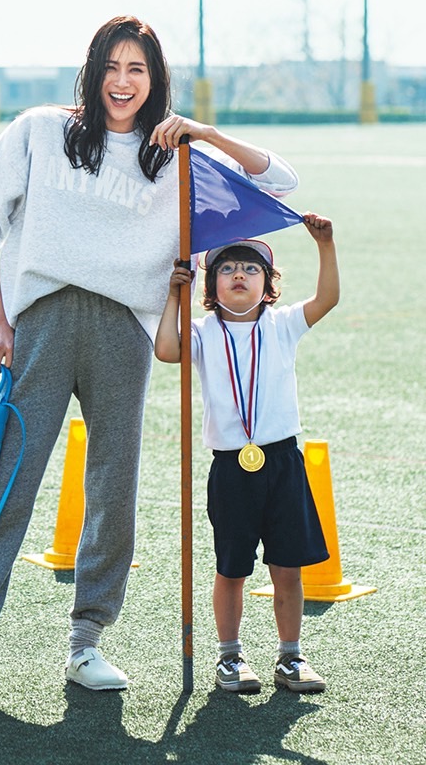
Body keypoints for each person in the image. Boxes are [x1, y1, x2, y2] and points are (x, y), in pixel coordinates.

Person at [0, 14, 299, 705]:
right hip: (43, 321)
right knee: (11, 480)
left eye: (138, 70)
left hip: (125, 330)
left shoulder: (174, 155)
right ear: (93, 74)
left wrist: (203, 133)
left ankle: (87, 642)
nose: (123, 83)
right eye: (112, 68)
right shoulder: (41, 131)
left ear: (155, 81)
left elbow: (282, 183)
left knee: (114, 489)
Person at [155, 213, 339, 693]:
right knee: (231, 566)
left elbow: (328, 299)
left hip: (282, 461)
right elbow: (166, 351)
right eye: (228, 268)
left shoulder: (283, 324)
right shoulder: (201, 330)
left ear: (269, 284)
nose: (240, 274)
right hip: (231, 466)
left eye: (251, 268)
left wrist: (325, 246)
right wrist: (174, 294)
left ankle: (290, 657)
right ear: (211, 284)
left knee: (287, 567)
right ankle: (230, 657)